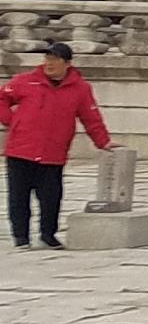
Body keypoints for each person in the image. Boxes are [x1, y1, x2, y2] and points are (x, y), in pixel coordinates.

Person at [0, 42, 111, 250]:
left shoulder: (81, 88)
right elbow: (1, 99)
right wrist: (10, 120)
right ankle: (21, 237)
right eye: (47, 58)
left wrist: (103, 142)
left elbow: (91, 117)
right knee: (18, 197)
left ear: (67, 63)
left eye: (55, 59)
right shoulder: (25, 81)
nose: (49, 63)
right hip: (20, 149)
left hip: (53, 152)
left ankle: (48, 235)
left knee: (51, 197)